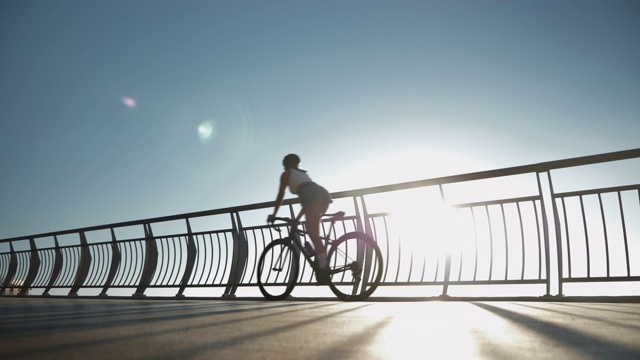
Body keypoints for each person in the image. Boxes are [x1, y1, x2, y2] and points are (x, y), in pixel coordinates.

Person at [268, 154, 332, 282]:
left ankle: (324, 268)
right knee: (313, 230)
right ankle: (320, 258)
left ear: (285, 164)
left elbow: (281, 194)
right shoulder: (301, 174)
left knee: (313, 234)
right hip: (321, 192)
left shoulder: (287, 174)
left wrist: (274, 214)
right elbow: (308, 204)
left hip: (310, 194)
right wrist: (297, 219)